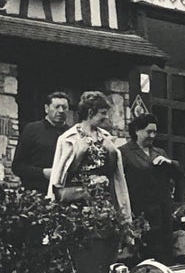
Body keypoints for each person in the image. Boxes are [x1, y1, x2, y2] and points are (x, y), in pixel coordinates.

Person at [47, 90, 132, 221]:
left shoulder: (105, 137)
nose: (106, 117)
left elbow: (112, 173)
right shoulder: (68, 138)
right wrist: (79, 154)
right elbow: (61, 176)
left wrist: (112, 152)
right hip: (76, 202)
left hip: (102, 201)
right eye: (103, 113)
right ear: (90, 112)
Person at [122, 115, 182, 262]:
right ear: (137, 130)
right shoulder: (124, 152)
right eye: (149, 132)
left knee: (164, 254)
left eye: (155, 132)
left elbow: (179, 174)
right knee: (143, 254)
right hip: (140, 212)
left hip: (162, 212)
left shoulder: (160, 152)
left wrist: (169, 162)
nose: (152, 136)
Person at [11, 90, 72, 191]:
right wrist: (43, 173)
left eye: (64, 107)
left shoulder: (71, 134)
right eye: (56, 107)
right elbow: (18, 167)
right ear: (46, 108)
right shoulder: (32, 130)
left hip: (65, 193)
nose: (61, 111)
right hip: (36, 193)